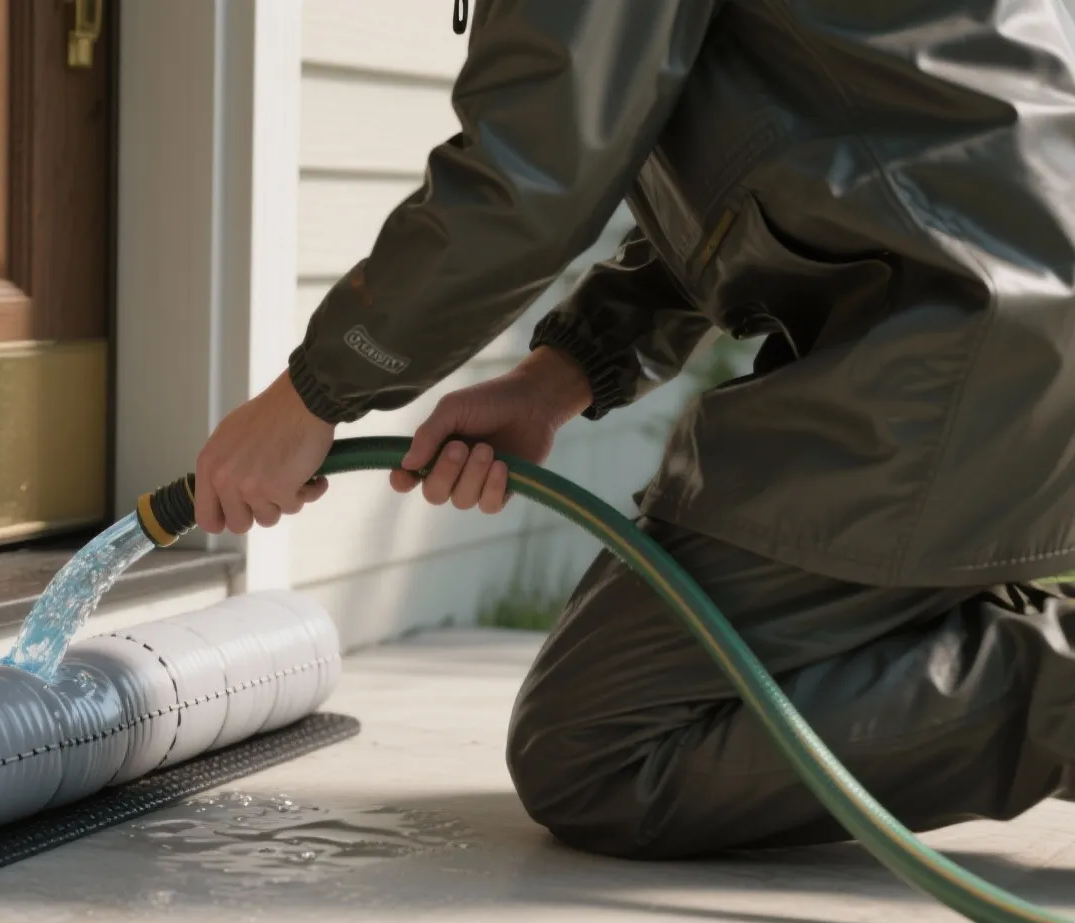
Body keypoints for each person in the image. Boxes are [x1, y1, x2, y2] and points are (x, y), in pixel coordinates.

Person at [195, 0, 1075, 858]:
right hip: (992, 305)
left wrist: (311, 395)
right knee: (638, 706)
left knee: (604, 754)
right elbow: (781, 150)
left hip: (966, 335)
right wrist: (558, 377)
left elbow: (530, 171)